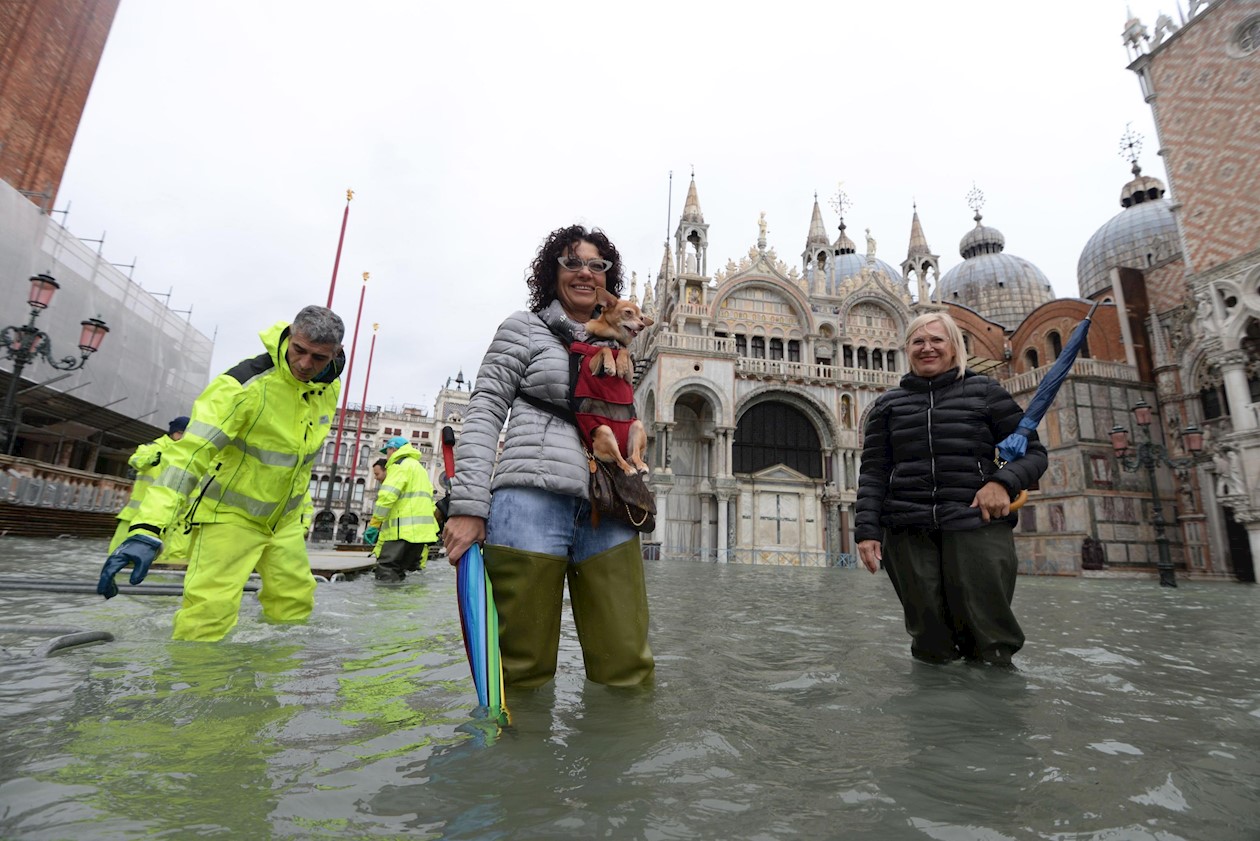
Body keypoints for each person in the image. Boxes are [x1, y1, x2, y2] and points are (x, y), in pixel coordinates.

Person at [443, 224, 654, 688]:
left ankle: (619, 756)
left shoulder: (620, 342)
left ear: (608, 280)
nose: (585, 272)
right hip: (531, 503)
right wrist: (469, 505)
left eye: (597, 265)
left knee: (627, 665)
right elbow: (484, 411)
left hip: (610, 505)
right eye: (572, 262)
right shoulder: (523, 329)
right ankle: (515, 758)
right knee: (520, 667)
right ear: (552, 271)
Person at [96, 305, 346, 642]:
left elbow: (298, 462)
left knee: (295, 604)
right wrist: (147, 527)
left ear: (335, 355)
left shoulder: (327, 388)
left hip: (282, 522)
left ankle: (276, 681)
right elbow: (188, 456)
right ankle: (194, 688)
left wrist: (300, 516)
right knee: (208, 615)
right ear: (289, 336)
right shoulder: (241, 386)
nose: (304, 364)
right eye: (299, 350)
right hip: (228, 516)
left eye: (318, 358)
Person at [855, 311, 1046, 667]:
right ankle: (934, 718)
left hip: (975, 523)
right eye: (918, 341)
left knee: (990, 636)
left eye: (937, 340)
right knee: (929, 641)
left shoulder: (986, 392)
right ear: (907, 349)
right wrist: (867, 531)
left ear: (954, 347)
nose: (927, 348)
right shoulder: (888, 405)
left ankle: (997, 713)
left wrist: (1001, 483)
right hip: (908, 530)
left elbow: (1033, 454)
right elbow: (874, 472)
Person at [109, 416, 191, 562]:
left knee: (159, 559)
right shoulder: (152, 448)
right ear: (173, 433)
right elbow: (136, 460)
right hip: (136, 514)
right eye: (180, 433)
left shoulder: (189, 454)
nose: (182, 437)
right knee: (119, 555)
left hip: (167, 517)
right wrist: (153, 459)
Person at [364, 435, 438, 582]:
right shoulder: (419, 468)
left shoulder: (399, 465)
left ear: (393, 449)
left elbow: (386, 497)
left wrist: (374, 524)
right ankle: (407, 604)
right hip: (420, 534)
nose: (387, 455)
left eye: (388, 451)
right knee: (410, 571)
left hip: (401, 531)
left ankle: (388, 605)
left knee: (387, 568)